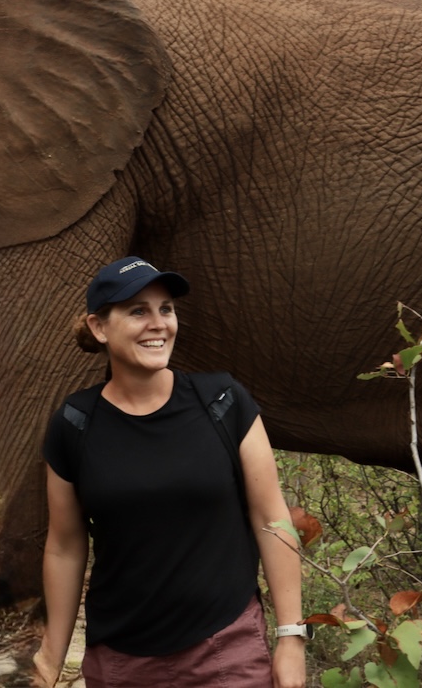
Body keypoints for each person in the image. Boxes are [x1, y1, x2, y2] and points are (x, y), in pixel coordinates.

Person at [32, 256, 307, 688]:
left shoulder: (222, 401)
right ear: (99, 327)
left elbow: (272, 520)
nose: (158, 323)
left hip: (226, 650)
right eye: (138, 310)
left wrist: (291, 636)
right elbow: (65, 546)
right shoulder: (75, 423)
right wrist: (50, 660)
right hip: (121, 662)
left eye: (166, 309)